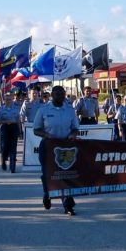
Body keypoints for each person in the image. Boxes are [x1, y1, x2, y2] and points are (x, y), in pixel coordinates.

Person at [33, 85, 79, 216]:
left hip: (66, 148)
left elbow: (75, 128)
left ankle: (68, 205)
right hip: (48, 147)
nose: (60, 96)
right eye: (57, 94)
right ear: (52, 95)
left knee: (67, 175)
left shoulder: (70, 110)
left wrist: (73, 134)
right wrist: (46, 135)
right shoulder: (44, 110)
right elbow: (36, 129)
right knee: (47, 174)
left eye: (62, 94)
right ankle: (47, 194)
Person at [0, 91, 21, 173]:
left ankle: (12, 167)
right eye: (6, 99)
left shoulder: (16, 108)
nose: (8, 101)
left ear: (12, 100)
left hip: (14, 128)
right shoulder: (1, 109)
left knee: (13, 147)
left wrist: (20, 131)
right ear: (4, 100)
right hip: (5, 128)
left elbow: (18, 120)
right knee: (5, 146)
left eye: (9, 99)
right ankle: (3, 160)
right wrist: (5, 121)